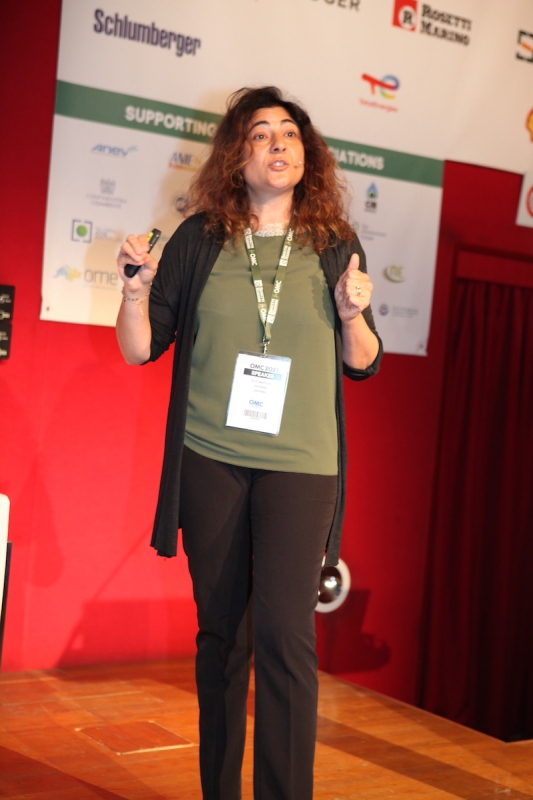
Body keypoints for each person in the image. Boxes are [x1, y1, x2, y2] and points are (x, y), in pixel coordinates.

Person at [116, 86, 383, 800]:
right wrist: (135, 292)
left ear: (307, 154)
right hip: (211, 457)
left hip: (301, 465)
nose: (277, 143)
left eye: (289, 132)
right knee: (222, 635)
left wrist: (352, 315)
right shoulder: (199, 240)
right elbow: (140, 350)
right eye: (260, 133)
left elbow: (362, 361)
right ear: (237, 155)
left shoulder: (334, 243)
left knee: (285, 636)